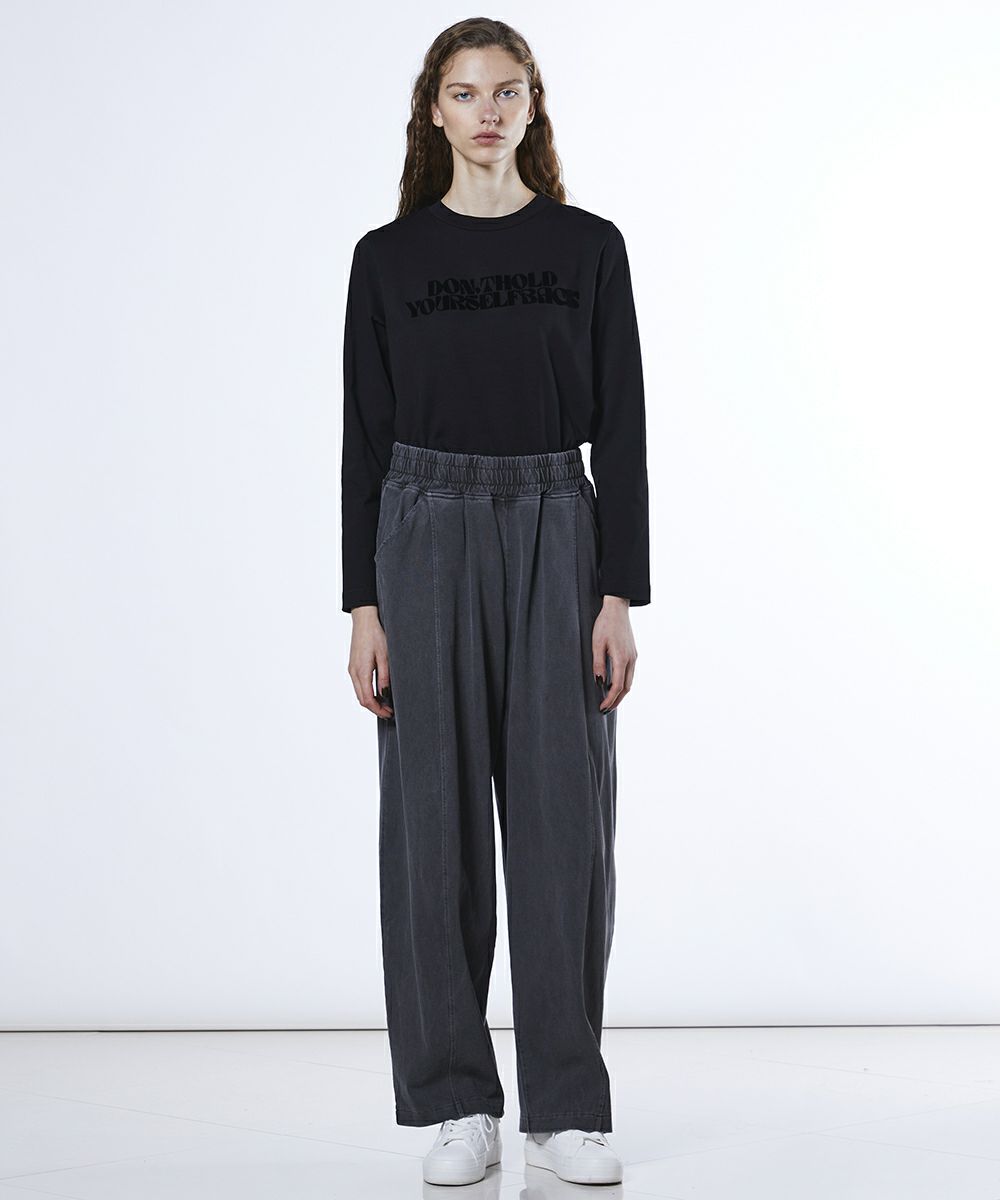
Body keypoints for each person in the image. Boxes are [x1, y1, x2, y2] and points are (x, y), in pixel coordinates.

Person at [341, 17, 649, 1188]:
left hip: (555, 525)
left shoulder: (588, 247)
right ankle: (455, 1101)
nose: (486, 111)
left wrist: (618, 593)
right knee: (433, 834)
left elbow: (623, 426)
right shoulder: (387, 259)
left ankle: (565, 1106)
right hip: (420, 530)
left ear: (531, 106)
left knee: (564, 829)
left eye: (505, 91)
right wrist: (362, 606)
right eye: (465, 92)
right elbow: (361, 439)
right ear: (434, 108)